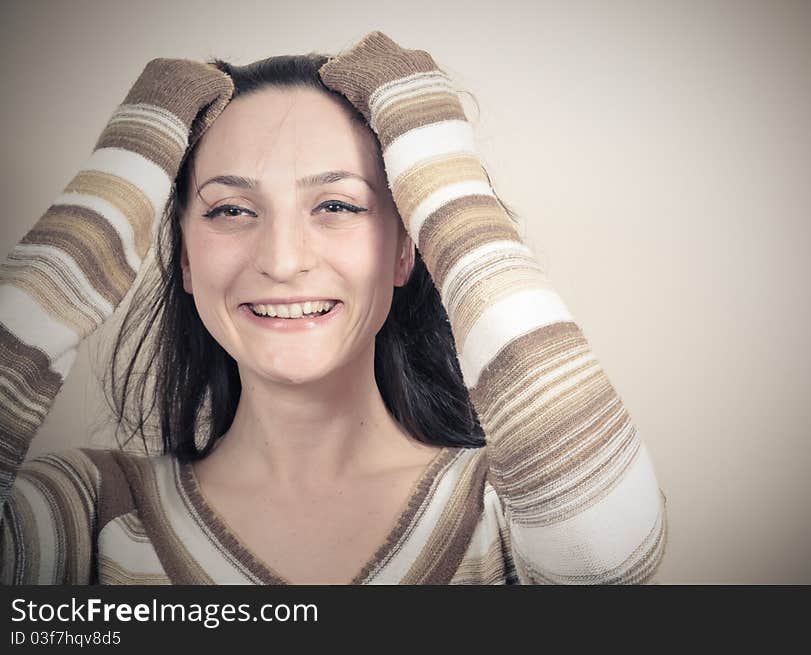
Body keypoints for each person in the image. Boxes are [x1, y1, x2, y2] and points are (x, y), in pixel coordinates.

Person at [0, 31, 668, 584]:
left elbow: (611, 562)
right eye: (231, 209)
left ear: (409, 248)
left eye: (338, 205)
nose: (283, 259)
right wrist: (120, 182)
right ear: (182, 254)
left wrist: (444, 172)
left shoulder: (509, 509)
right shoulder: (90, 513)